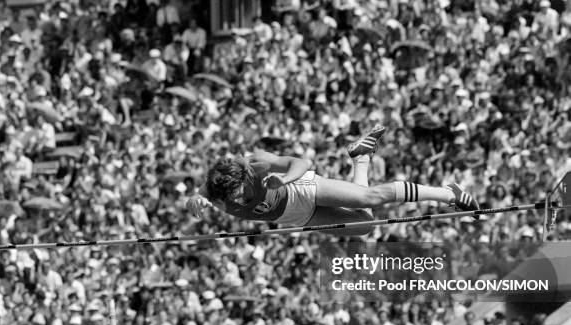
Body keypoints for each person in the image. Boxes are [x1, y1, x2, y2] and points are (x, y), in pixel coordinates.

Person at [186, 125, 480, 235]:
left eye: (239, 192)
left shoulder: (255, 163)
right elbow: (194, 199)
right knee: (365, 225)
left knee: (370, 198)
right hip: (297, 217)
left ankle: (448, 194)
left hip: (301, 191)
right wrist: (193, 202)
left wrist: (285, 179)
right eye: (232, 198)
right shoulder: (214, 189)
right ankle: (361, 158)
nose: (237, 200)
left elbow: (303, 162)